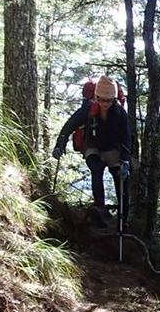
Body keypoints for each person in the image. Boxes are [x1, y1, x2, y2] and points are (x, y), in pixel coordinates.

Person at [52, 75, 131, 229]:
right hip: (92, 145)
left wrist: (125, 161)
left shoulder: (120, 113)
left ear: (114, 99)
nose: (105, 104)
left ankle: (123, 218)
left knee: (120, 176)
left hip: (113, 148)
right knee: (96, 167)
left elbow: (126, 138)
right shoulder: (88, 109)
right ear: (96, 97)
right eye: (102, 100)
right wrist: (60, 145)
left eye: (109, 100)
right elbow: (70, 125)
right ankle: (99, 208)